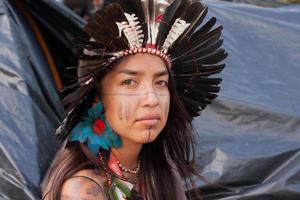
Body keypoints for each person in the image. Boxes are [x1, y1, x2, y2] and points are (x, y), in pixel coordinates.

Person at [42, 0, 227, 199]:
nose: (151, 99)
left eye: (161, 83)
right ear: (97, 98)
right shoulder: (84, 192)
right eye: (129, 82)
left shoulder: (158, 169)